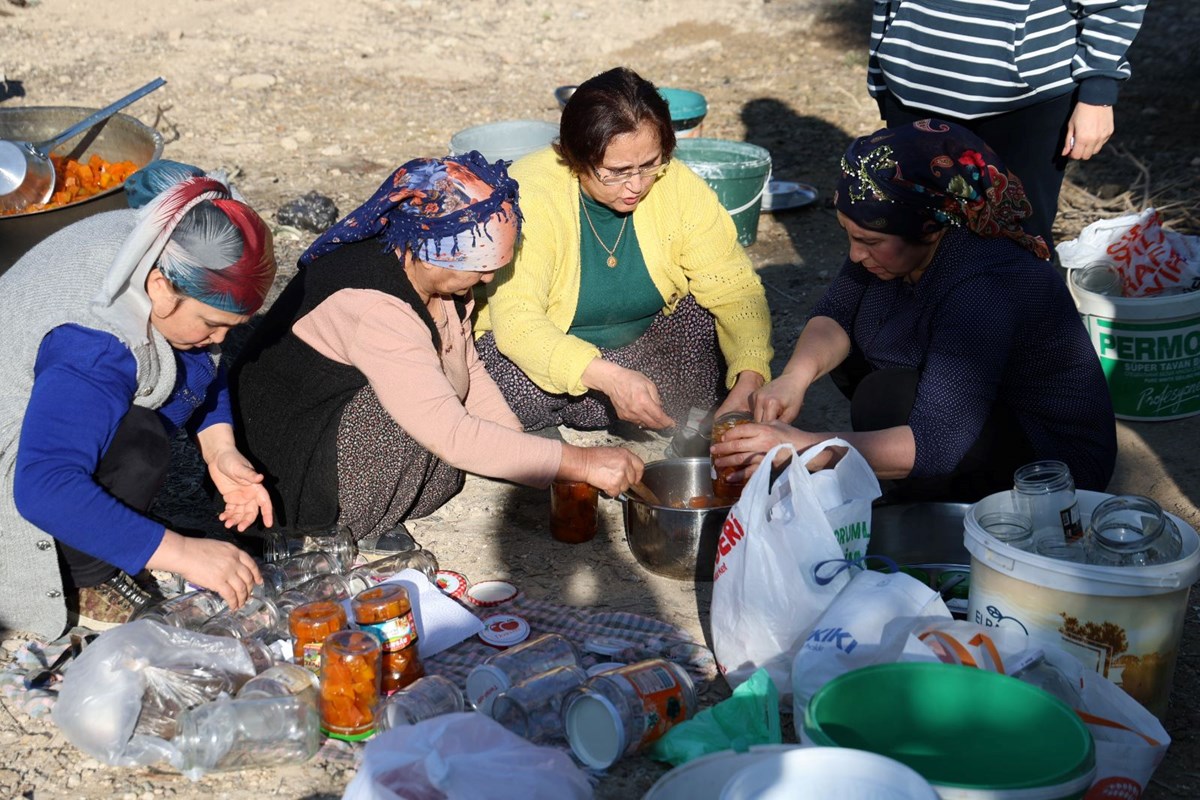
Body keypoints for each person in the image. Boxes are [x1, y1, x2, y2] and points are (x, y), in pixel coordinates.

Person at [230, 152, 643, 543]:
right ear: (434, 254)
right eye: (480, 269)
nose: (485, 282)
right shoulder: (374, 303)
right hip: (291, 481)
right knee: (418, 418)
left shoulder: (437, 280)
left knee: (452, 405)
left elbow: (469, 369)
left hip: (344, 446)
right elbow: (450, 432)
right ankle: (347, 526)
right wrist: (577, 462)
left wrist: (524, 454)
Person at [712, 120, 1117, 503]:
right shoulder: (897, 242)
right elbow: (834, 312)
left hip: (1049, 464)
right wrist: (793, 379)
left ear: (933, 226)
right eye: (849, 236)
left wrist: (802, 448)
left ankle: (947, 502)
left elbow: (936, 444)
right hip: (974, 416)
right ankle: (907, 480)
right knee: (855, 364)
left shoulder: (986, 284)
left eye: (868, 240)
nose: (855, 254)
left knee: (885, 398)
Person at [0, 173, 276, 639]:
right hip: (13, 474)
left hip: (54, 407)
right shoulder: (95, 346)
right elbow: (43, 486)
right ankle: (85, 576)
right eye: (212, 322)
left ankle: (106, 540)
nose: (221, 340)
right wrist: (183, 552)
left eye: (233, 325)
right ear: (161, 287)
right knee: (140, 444)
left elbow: (201, 363)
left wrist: (220, 452)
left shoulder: (164, 241)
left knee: (161, 386)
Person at [474, 66, 773, 433]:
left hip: (642, 349)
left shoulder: (675, 185)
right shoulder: (531, 194)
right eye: (615, 171)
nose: (636, 185)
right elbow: (519, 323)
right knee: (503, 379)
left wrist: (749, 379)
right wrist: (611, 378)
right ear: (575, 157)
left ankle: (632, 406)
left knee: (713, 327)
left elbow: (735, 288)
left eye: (649, 164)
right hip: (559, 358)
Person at [866, 0, 1147, 248]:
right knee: (911, 242)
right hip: (911, 85)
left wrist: (1098, 92)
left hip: (1029, 101)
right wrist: (878, 71)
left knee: (1018, 245)